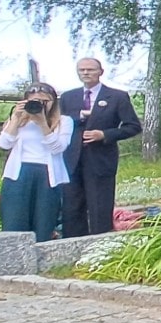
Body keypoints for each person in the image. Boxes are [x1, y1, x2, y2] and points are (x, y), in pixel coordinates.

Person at [58, 58, 143, 237]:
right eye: (81, 70)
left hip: (101, 159)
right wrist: (78, 116)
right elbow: (58, 123)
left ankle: (100, 244)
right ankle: (72, 245)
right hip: (71, 159)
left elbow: (133, 126)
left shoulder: (117, 96)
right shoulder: (68, 97)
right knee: (71, 206)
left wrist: (104, 135)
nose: (85, 73)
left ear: (101, 72)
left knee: (100, 206)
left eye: (90, 69)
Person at [0, 82, 73, 242]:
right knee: (14, 220)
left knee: (44, 222)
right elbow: (4, 144)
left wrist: (43, 124)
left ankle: (41, 260)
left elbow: (58, 148)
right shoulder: (18, 120)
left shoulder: (64, 121)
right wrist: (16, 119)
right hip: (18, 174)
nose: (40, 105)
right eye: (35, 101)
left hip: (48, 176)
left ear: (54, 102)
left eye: (45, 101)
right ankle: (15, 260)